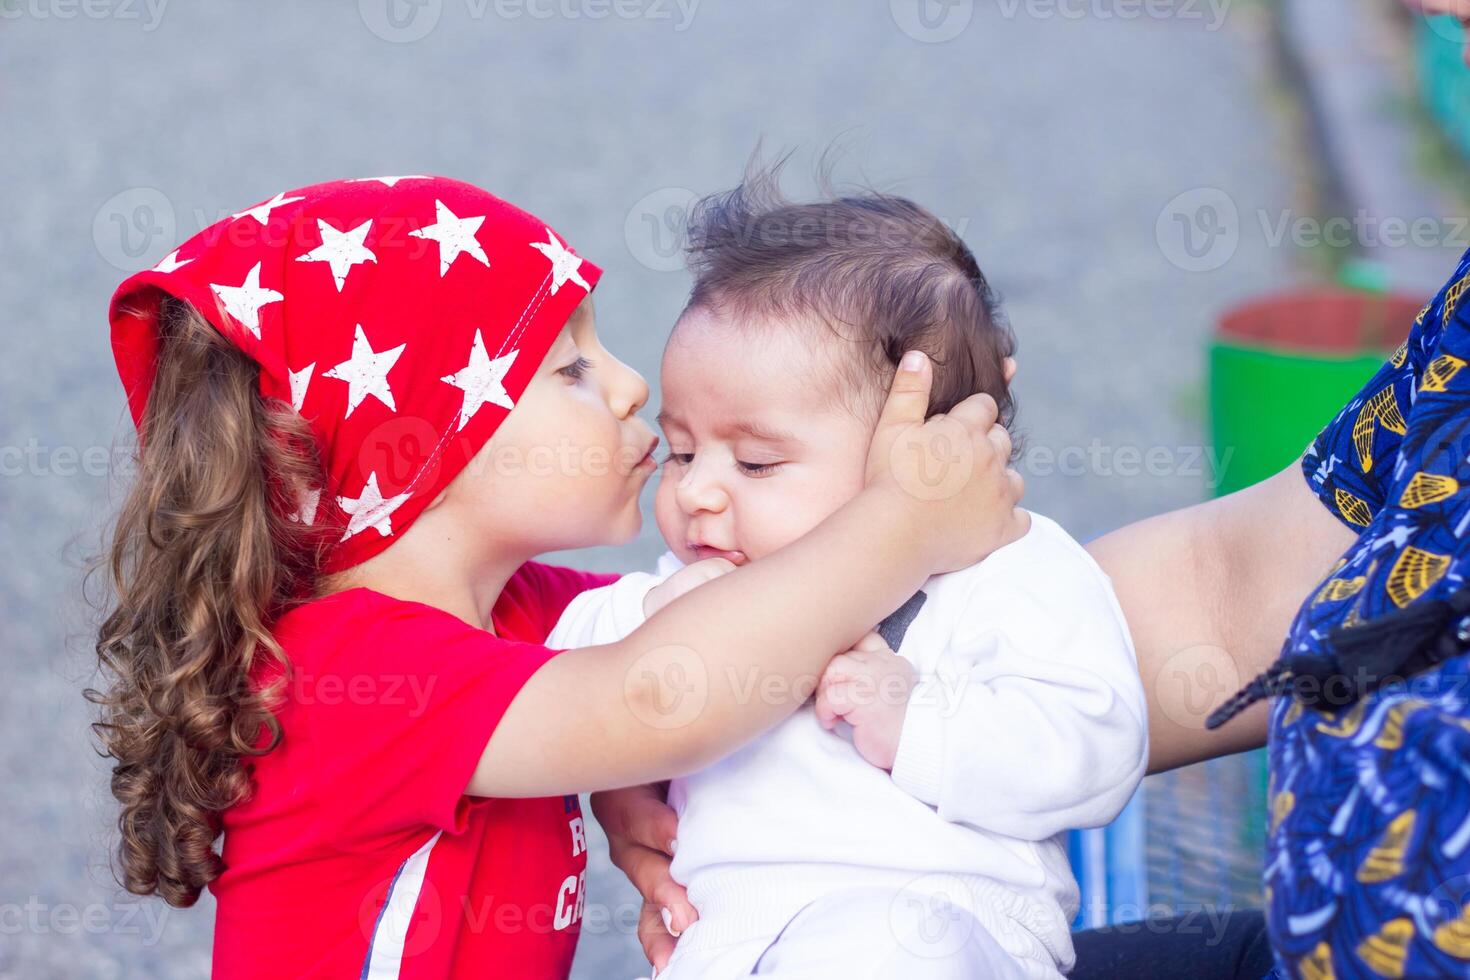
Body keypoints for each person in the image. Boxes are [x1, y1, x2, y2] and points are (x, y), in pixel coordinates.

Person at [88, 176, 1025, 979]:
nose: (628, 388)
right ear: (418, 453)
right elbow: (663, 695)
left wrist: (625, 779)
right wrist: (903, 524)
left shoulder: (517, 610)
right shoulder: (350, 674)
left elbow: (723, 629)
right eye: (570, 367)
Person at [547, 175, 1148, 979]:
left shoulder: (1010, 568)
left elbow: (1098, 748)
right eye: (684, 452)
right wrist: (665, 614)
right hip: (732, 948)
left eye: (756, 461)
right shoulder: (691, 587)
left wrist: (921, 722)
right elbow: (555, 681)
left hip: (949, 932)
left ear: (919, 450)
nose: (694, 491)